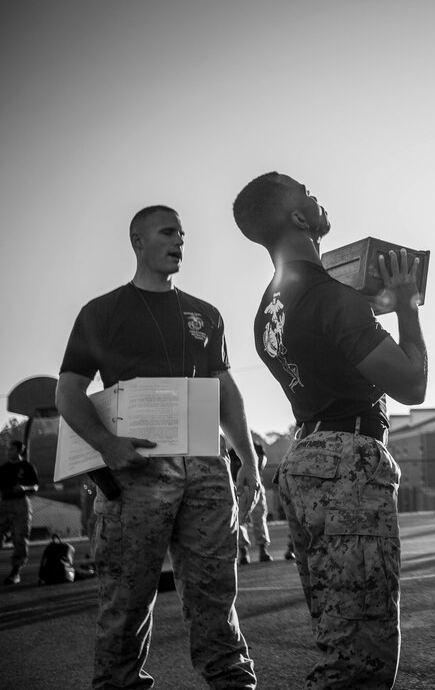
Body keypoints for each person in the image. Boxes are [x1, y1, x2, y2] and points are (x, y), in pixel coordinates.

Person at [233, 172, 427, 690]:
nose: (317, 199)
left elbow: (319, 354)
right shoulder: (330, 297)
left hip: (303, 460)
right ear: (299, 217)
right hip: (347, 462)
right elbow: (412, 384)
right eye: (307, 194)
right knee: (362, 656)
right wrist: (406, 303)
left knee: (337, 633)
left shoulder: (265, 310)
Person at [55, 205, 260, 689]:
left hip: (207, 469)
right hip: (137, 472)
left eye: (183, 235)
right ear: (137, 241)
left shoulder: (205, 314)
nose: (179, 243)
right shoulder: (101, 312)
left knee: (214, 595)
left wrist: (247, 458)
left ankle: (233, 682)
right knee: (127, 601)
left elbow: (224, 391)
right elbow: (67, 391)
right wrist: (106, 445)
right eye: (168, 233)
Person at [0, 440, 38, 585]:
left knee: (20, 536)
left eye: (12, 449)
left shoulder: (27, 467)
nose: (8, 452)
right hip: (4, 503)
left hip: (20, 503)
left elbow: (35, 486)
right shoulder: (3, 468)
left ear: (19, 451)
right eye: (8, 449)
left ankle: (16, 571)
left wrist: (24, 488)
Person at [233, 431, 274, 564]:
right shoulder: (231, 450)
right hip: (238, 487)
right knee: (239, 520)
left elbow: (261, 462)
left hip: (255, 484)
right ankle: (243, 552)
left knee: (259, 517)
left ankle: (263, 549)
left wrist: (249, 463)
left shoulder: (256, 447)